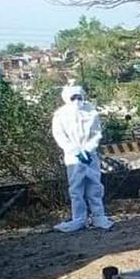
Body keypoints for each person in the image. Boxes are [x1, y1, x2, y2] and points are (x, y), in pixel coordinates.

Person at [51, 85, 114, 232]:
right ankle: (79, 218)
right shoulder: (60, 115)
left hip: (90, 155)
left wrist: (88, 149)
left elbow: (97, 133)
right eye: (73, 97)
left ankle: (99, 216)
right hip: (73, 157)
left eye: (79, 97)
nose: (77, 100)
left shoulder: (91, 112)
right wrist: (75, 151)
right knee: (76, 188)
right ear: (67, 98)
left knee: (95, 186)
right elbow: (60, 136)